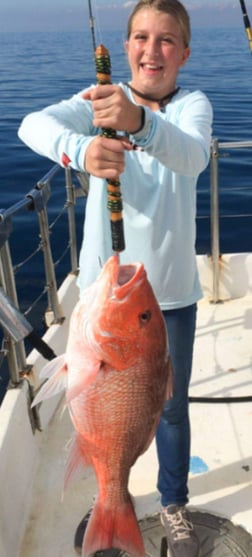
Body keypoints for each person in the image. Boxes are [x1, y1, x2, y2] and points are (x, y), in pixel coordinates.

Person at [18, 0, 213, 555]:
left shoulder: (191, 105)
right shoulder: (97, 101)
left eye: (168, 40)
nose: (153, 50)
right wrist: (80, 149)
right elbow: (32, 125)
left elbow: (193, 155)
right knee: (93, 400)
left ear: (185, 52)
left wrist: (140, 123)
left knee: (170, 407)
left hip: (169, 299)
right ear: (125, 46)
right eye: (142, 38)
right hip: (106, 306)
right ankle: (111, 495)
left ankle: (172, 501)